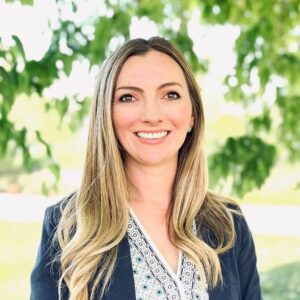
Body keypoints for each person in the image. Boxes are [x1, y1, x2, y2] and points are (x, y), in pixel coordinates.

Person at [30, 37, 262, 300]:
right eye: (128, 97)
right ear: (106, 113)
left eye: (170, 95)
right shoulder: (67, 226)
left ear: (192, 115)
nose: (151, 115)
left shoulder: (228, 224)